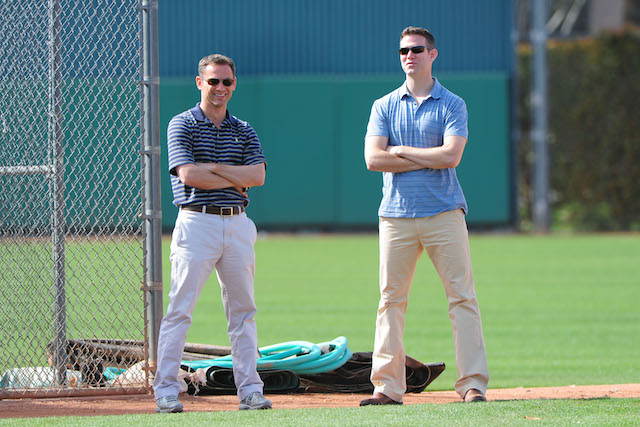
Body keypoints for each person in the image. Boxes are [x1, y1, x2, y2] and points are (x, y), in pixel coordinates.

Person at [360, 27, 489, 406]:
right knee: (390, 301)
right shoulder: (383, 105)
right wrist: (423, 155)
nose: (409, 56)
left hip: (444, 213)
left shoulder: (452, 103)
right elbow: (372, 159)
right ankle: (387, 388)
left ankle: (472, 385)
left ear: (433, 54)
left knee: (462, 298)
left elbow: (451, 156)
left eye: (417, 49)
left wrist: (400, 151)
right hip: (395, 216)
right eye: (403, 50)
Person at [154, 54, 271, 413]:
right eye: (214, 81)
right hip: (197, 221)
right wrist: (232, 173)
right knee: (180, 309)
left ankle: (250, 390)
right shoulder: (183, 124)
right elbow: (189, 176)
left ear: (234, 85)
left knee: (243, 312)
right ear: (199, 82)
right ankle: (166, 391)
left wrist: (215, 167)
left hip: (237, 222)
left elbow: (258, 177)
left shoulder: (244, 129)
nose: (220, 88)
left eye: (227, 82)